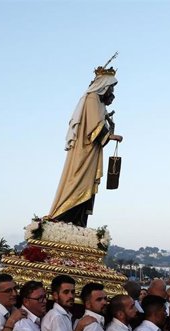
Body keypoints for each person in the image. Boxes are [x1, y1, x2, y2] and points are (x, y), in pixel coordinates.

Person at [48, 62, 123, 227]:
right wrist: (112, 136)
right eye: (111, 88)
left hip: (91, 152)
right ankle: (62, 218)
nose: (113, 92)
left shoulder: (98, 102)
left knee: (86, 186)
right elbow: (93, 129)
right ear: (104, 86)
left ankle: (78, 223)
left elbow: (98, 123)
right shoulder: (92, 98)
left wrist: (108, 123)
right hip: (84, 152)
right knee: (77, 183)